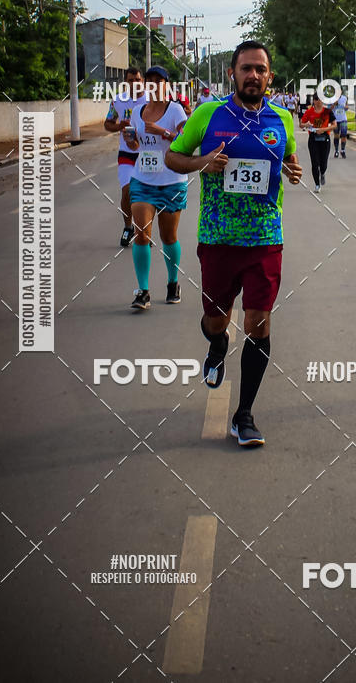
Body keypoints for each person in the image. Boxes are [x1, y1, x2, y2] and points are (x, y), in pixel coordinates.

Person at [164, 40, 302, 447]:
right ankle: (218, 344)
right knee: (215, 321)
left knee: (259, 323)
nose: (253, 75)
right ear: (233, 74)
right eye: (246, 68)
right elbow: (173, 157)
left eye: (260, 69)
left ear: (270, 76)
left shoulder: (282, 119)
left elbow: (289, 159)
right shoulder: (208, 114)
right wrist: (201, 163)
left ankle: (244, 415)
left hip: (265, 237)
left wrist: (292, 170)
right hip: (218, 239)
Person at [122, 68, 188, 310]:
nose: (153, 86)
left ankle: (173, 283)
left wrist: (164, 132)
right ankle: (143, 291)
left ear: (167, 85)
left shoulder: (175, 110)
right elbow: (136, 145)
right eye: (149, 82)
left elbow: (186, 141)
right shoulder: (137, 112)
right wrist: (130, 140)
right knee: (142, 234)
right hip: (142, 180)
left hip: (171, 181)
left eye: (158, 82)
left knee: (168, 237)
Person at [104, 67, 146, 247]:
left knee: (146, 194)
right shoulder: (118, 101)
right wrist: (119, 126)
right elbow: (108, 123)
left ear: (142, 81)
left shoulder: (151, 100)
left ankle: (144, 231)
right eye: (130, 80)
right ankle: (128, 227)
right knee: (127, 191)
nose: (134, 83)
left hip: (147, 153)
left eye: (137, 79)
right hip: (126, 154)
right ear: (126, 82)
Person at [300, 94, 336, 192]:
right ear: (313, 101)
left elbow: (334, 125)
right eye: (316, 99)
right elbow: (301, 124)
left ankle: (322, 173)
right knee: (315, 163)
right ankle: (317, 184)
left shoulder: (327, 111)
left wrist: (324, 129)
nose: (318, 101)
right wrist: (306, 124)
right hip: (313, 138)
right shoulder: (309, 112)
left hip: (324, 138)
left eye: (320, 99)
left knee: (323, 163)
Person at [332, 89, 349, 158]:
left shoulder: (344, 98)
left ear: (341, 91)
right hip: (335, 120)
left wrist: (346, 107)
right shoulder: (332, 99)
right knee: (336, 136)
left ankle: (343, 150)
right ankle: (336, 151)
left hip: (343, 119)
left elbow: (347, 107)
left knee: (344, 135)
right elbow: (329, 109)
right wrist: (334, 104)